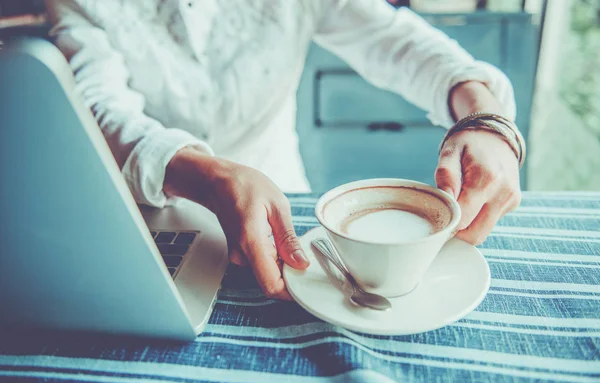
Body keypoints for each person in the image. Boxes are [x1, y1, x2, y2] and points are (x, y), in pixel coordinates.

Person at [44, 0, 522, 300]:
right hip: (149, 221)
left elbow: (400, 43)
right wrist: (207, 174)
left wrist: (486, 118)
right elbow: (97, 109)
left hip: (285, 220)